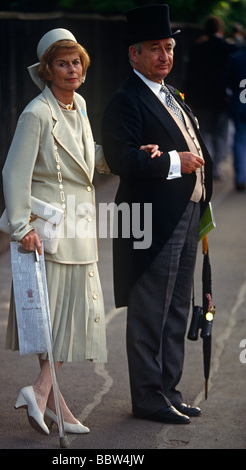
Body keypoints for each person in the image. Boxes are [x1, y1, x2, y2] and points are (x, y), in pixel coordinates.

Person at [101, 4, 213, 424]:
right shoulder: (125, 101)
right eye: (154, 49)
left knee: (177, 308)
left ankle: (168, 390)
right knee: (151, 309)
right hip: (150, 221)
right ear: (134, 55)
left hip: (185, 212)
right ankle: (147, 397)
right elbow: (120, 159)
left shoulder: (170, 93)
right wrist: (170, 161)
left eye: (168, 47)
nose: (165, 56)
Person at [2, 28, 111, 436]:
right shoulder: (35, 114)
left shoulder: (79, 105)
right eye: (63, 63)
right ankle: (44, 393)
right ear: (47, 70)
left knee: (65, 320)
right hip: (48, 231)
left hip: (80, 227)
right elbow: (14, 172)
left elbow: (89, 156)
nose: (72, 69)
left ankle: (47, 399)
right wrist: (21, 226)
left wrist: (128, 153)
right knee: (61, 319)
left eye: (77, 61)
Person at [184, 15, 236, 180]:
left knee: (204, 132)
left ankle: (208, 163)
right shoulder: (228, 48)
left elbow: (190, 74)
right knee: (221, 134)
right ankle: (217, 166)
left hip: (201, 98)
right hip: (222, 99)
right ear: (220, 29)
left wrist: (187, 97)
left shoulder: (197, 48)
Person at [224, 44, 246, 191]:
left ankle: (241, 178)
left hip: (240, 102)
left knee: (240, 140)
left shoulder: (236, 58)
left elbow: (225, 82)